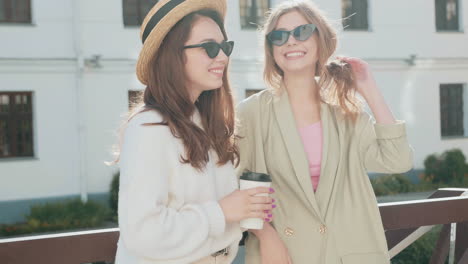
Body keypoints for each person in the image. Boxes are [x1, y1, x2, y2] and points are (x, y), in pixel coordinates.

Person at [236, 1, 413, 263]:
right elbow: (238, 188)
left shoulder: (345, 110)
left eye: (302, 32)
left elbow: (397, 161)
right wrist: (266, 237)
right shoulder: (251, 112)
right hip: (284, 253)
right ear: (271, 48)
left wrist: (369, 89)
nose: (291, 41)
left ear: (321, 41)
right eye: (279, 35)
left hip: (350, 252)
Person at [114, 1, 274, 263]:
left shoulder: (206, 123)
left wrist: (249, 215)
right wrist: (222, 212)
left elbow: (220, 220)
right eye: (210, 47)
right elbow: (142, 234)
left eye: (225, 47)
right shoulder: (148, 128)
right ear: (172, 54)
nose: (222, 56)